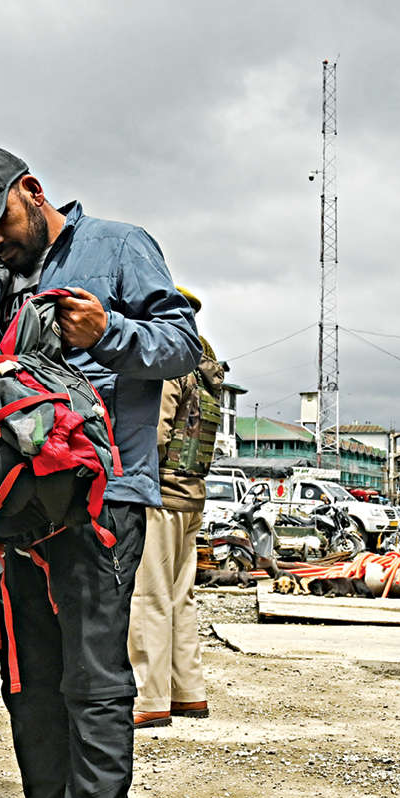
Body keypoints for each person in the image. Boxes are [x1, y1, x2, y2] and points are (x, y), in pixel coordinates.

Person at [0, 145, 199, 798]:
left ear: (32, 190)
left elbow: (182, 346)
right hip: (24, 504)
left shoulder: (118, 247)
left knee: (93, 678)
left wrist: (110, 330)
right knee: (30, 675)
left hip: (102, 500)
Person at [129, 287, 224, 729]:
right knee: (181, 597)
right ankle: (188, 693)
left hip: (161, 496)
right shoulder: (205, 367)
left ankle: (149, 698)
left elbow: (155, 435)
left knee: (148, 596)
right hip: (191, 496)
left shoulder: (171, 365)